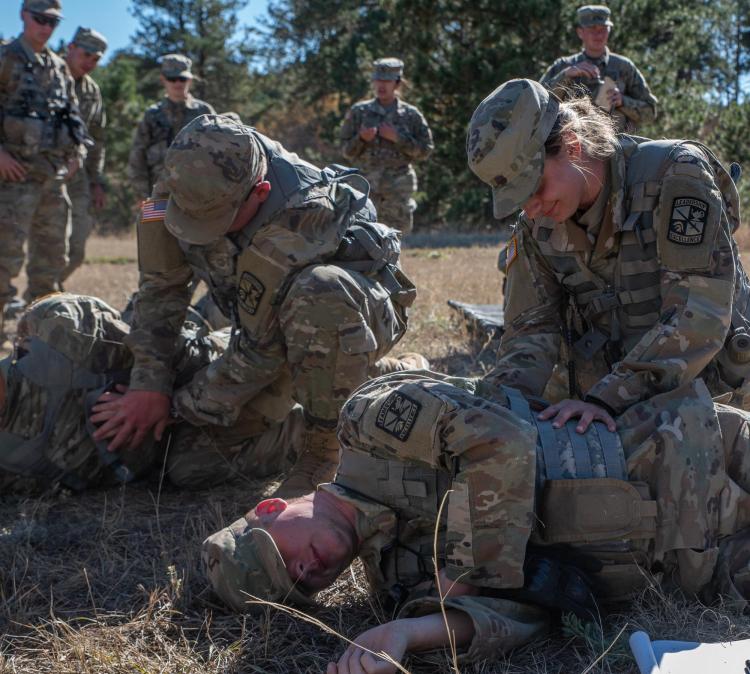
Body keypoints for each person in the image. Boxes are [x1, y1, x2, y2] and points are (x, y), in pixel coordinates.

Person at [202, 369, 750, 671]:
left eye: (283, 555)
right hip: (701, 563)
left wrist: (461, 571)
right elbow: (523, 616)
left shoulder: (370, 431)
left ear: (272, 508)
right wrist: (409, 630)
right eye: (297, 587)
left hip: (691, 451)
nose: (306, 569)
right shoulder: (396, 578)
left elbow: (501, 440)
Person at [97, 114, 423, 497]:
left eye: (217, 220)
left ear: (260, 192)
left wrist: (173, 408)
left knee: (318, 290)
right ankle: (371, 383)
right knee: (192, 463)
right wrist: (148, 385)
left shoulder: (298, 216)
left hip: (351, 316)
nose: (199, 231)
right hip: (267, 327)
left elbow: (260, 356)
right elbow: (159, 290)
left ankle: (328, 449)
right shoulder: (184, 178)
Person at [464, 78, 750, 435]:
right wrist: (503, 409)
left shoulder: (675, 176)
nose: (532, 209)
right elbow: (530, 332)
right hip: (604, 402)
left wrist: (606, 401)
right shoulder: (537, 226)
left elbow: (699, 319)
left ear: (571, 144)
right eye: (519, 199)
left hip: (709, 394)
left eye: (534, 188)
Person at [0, 293, 305, 493]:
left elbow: (173, 353)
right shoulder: (10, 462)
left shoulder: (56, 329)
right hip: (175, 447)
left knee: (265, 334)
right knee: (192, 469)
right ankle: (315, 427)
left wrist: (155, 397)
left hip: (205, 370)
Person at [0, 0, 89, 330]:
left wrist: (77, 153)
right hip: (13, 179)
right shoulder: (6, 57)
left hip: (52, 181)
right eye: (40, 19)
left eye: (53, 22)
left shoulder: (58, 66)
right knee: (3, 259)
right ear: (23, 15)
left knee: (51, 262)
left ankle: (37, 339)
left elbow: (72, 115)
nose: (46, 27)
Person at [339, 58, 433, 236]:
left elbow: (426, 150)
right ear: (373, 82)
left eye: (387, 81)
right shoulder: (359, 112)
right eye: (378, 80)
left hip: (398, 189)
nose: (382, 85)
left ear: (397, 83)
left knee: (395, 240)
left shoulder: (411, 115)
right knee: (362, 240)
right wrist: (361, 139)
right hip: (365, 188)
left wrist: (398, 138)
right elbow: (345, 151)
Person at [540, 5, 657, 133]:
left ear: (609, 31)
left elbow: (650, 113)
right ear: (580, 32)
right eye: (592, 29)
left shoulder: (624, 67)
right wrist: (565, 76)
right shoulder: (564, 65)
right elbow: (538, 103)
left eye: (603, 29)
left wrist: (622, 101)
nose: (598, 34)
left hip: (616, 148)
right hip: (570, 146)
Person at [127, 54, 214, 205]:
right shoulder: (152, 115)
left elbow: (218, 151)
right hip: (159, 193)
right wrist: (142, 194)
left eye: (182, 79)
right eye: (172, 78)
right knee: (158, 229)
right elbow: (138, 155)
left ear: (190, 80)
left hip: (199, 192)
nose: (177, 83)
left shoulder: (204, 111)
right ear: (163, 79)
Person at [61, 26, 107, 284]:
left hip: (77, 176)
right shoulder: (44, 73)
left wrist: (96, 181)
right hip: (33, 170)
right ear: (71, 48)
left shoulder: (92, 92)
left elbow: (97, 140)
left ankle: (41, 299)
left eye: (96, 58)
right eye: (86, 54)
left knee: (75, 251)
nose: (90, 62)